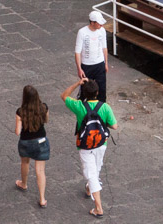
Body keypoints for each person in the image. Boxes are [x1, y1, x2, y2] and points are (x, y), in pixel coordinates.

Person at [63, 78, 118, 219]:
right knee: (96, 169)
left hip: (85, 145)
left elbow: (64, 96)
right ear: (98, 92)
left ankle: (99, 208)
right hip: (101, 144)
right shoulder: (105, 107)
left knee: (92, 174)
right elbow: (114, 126)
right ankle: (89, 188)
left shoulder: (79, 106)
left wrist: (77, 83)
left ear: (84, 94)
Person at [15, 85, 49, 209]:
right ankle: (42, 199)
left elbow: (17, 132)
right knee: (40, 170)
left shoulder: (20, 111)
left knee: (25, 163)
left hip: (25, 142)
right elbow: (46, 121)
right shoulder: (44, 107)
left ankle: (23, 184)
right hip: (41, 141)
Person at [75, 11, 109, 103]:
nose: (101, 25)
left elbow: (104, 47)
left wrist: (106, 63)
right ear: (92, 22)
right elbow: (77, 52)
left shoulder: (102, 31)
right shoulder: (82, 32)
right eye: (99, 23)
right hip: (87, 65)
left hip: (100, 64)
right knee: (85, 88)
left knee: (102, 89)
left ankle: (101, 108)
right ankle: (82, 106)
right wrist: (79, 68)